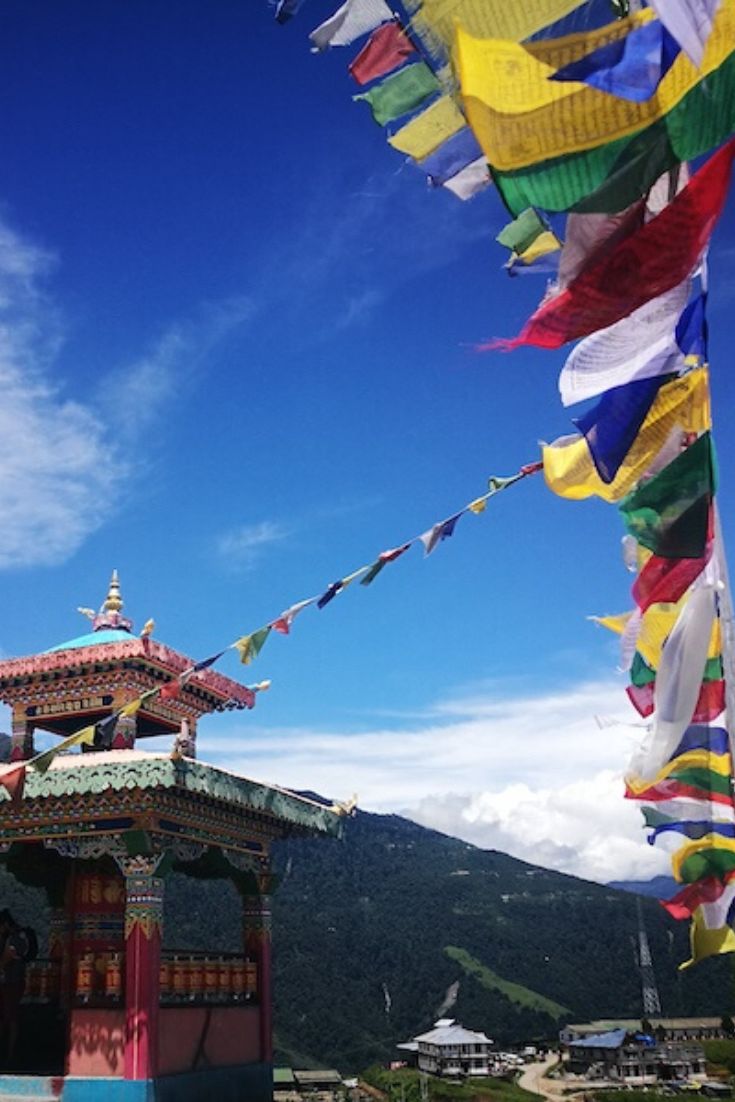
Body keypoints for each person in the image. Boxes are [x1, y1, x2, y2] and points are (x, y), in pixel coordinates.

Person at [0, 909, 32, 1066]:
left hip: (12, 983)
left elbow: (8, 955)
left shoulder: (14, 940)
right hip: (10, 983)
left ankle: (10, 1054)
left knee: (10, 1017)